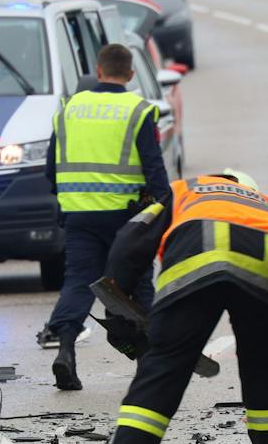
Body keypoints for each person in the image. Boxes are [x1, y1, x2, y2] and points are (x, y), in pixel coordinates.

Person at [91, 170, 268, 444]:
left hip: (195, 264)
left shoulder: (186, 190)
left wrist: (119, 304)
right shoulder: (267, 205)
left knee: (163, 371)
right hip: (264, 268)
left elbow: (130, 241)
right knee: (266, 377)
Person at [40, 43, 172, 391]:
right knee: (137, 283)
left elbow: (51, 169)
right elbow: (153, 167)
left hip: (80, 214)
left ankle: (65, 350)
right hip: (126, 217)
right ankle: (148, 366)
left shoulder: (69, 107)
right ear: (129, 75)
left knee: (79, 281)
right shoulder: (138, 110)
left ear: (97, 72)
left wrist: (68, 200)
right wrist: (162, 205)